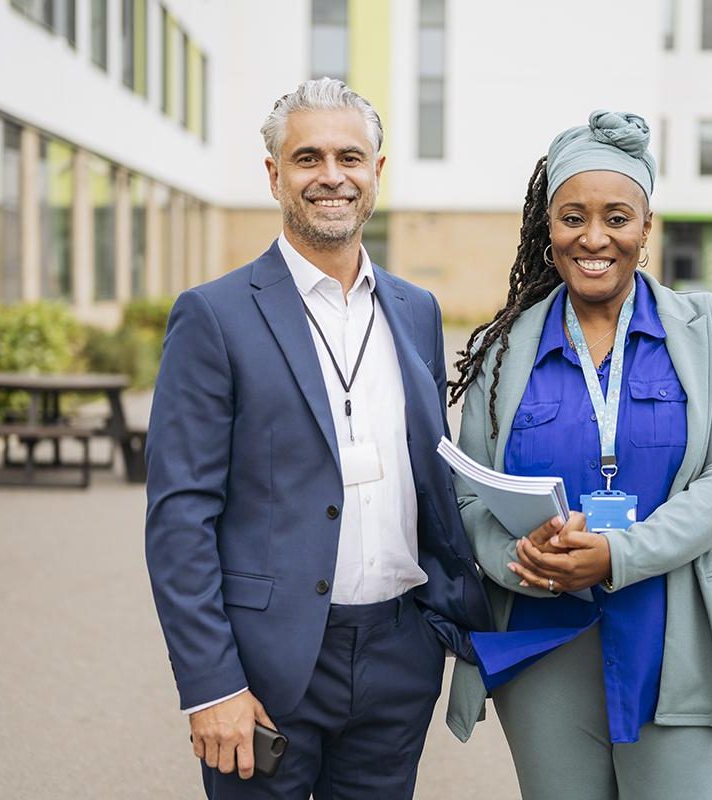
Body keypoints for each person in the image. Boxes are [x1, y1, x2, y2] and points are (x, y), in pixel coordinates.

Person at [144, 77, 491, 800]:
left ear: (377, 174)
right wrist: (211, 685)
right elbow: (180, 518)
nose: (331, 176)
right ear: (274, 175)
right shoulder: (212, 317)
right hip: (267, 666)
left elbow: (430, 475)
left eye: (349, 157)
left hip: (399, 655)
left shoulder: (417, 311)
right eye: (307, 158)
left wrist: (434, 630)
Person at [445, 111, 712, 799]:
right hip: (544, 646)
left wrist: (621, 554)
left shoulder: (708, 330)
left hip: (676, 638)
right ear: (548, 229)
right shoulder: (505, 349)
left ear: (646, 226)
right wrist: (517, 559)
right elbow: (467, 493)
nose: (594, 238)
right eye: (572, 217)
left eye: (617, 217)